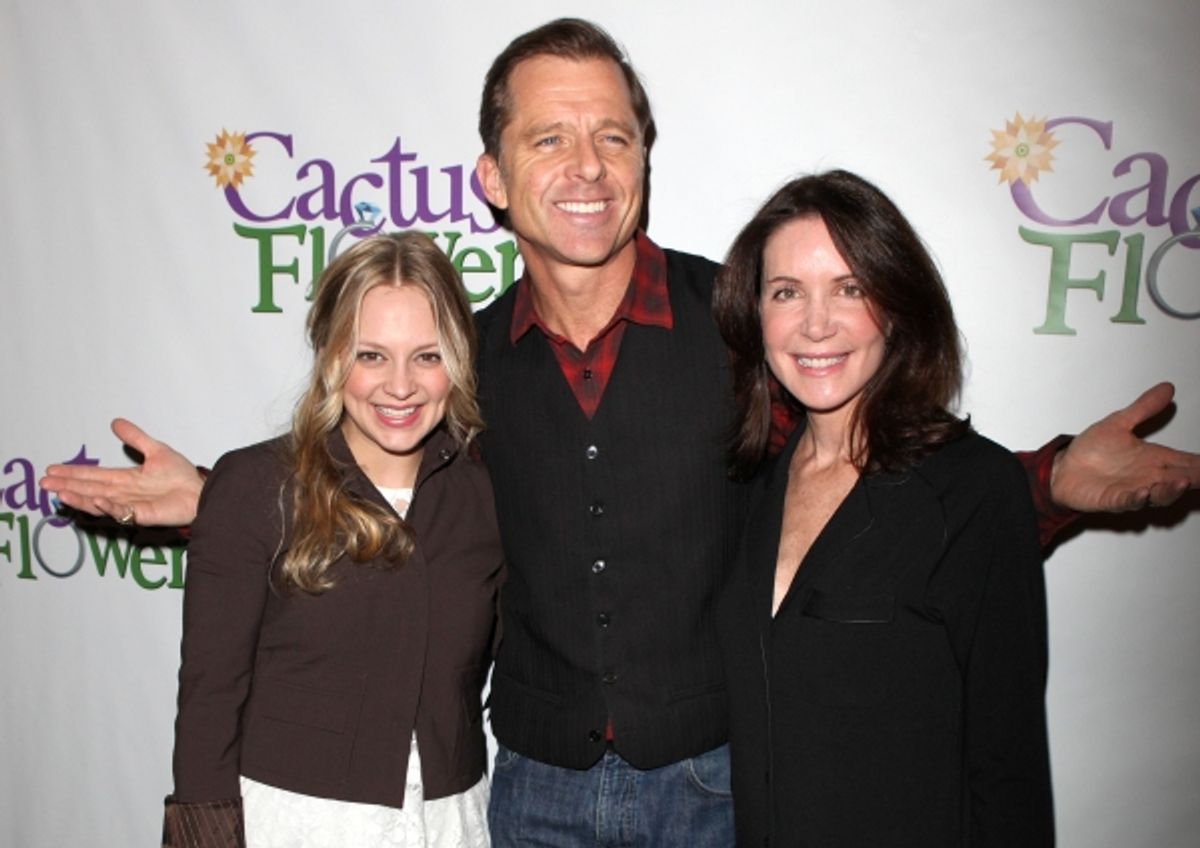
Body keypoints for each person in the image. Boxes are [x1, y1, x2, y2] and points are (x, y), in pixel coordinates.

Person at [41, 18, 1200, 848]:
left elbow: (873, 472)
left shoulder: (744, 324)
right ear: (492, 176)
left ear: (646, 159)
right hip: (528, 793)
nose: (587, 167)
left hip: (720, 784)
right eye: (549, 139)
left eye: (615, 137)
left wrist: (1044, 480)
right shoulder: (463, 360)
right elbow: (385, 479)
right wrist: (227, 494)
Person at [715, 170, 1053, 846]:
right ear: (757, 317)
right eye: (787, 292)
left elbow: (1007, 763)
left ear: (897, 305)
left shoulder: (972, 490)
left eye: (851, 288)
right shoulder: (750, 488)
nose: (816, 324)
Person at [161, 233, 503, 848]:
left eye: (427, 356)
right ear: (331, 355)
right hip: (292, 823)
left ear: (457, 360)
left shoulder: (486, 494)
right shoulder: (256, 483)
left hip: (451, 824)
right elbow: (210, 704)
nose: (400, 386)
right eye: (371, 355)